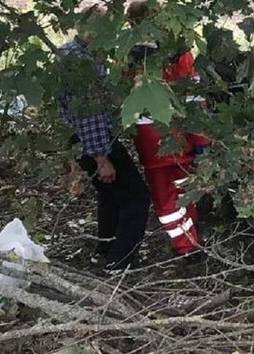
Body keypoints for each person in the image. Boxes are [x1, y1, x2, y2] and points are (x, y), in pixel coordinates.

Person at [57, 4, 149, 274]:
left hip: (81, 139)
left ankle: (106, 249)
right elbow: (90, 112)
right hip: (93, 139)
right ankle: (121, 260)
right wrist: (100, 157)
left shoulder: (69, 52)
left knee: (110, 196)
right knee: (136, 197)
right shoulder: (81, 63)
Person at [126, 0, 208, 261]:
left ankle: (188, 245)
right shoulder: (180, 51)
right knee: (184, 187)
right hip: (181, 134)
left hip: (153, 142)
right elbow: (195, 100)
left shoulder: (131, 56)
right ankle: (190, 238)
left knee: (167, 199)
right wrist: (201, 140)